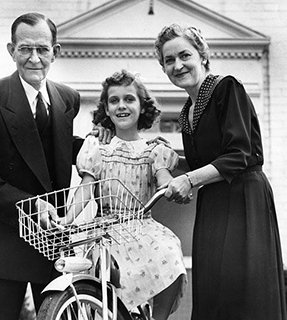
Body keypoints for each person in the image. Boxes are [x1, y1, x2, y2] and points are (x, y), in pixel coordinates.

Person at [154, 23, 287, 320]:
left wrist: (189, 179)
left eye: (184, 55)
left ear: (202, 54)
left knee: (242, 294)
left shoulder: (226, 87)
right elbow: (203, 162)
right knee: (214, 292)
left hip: (243, 198)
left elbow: (240, 152)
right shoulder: (188, 109)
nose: (177, 65)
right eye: (168, 60)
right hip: (214, 202)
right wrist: (166, 158)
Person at [0, 12, 86, 320]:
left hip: (51, 245)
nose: (34, 58)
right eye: (25, 49)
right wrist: (34, 206)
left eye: (42, 49)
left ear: (55, 52)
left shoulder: (67, 98)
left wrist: (105, 145)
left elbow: (55, 150)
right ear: (11, 50)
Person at [64, 70, 187, 320]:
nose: (122, 105)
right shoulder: (98, 148)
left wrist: (171, 185)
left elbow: (162, 175)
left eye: (129, 99)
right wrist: (67, 220)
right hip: (106, 230)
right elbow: (86, 187)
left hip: (142, 227)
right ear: (106, 110)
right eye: (114, 101)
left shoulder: (154, 150)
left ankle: (158, 318)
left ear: (142, 107)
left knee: (171, 251)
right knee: (110, 283)